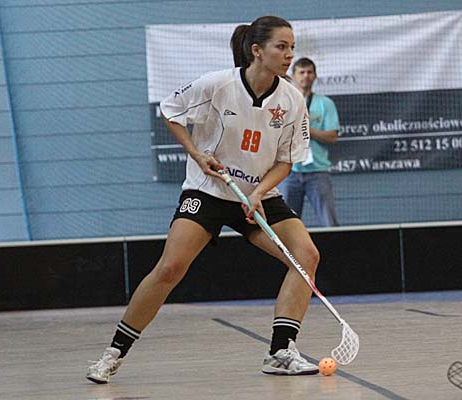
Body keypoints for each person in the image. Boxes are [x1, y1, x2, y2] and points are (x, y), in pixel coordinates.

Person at [86, 16, 321, 383]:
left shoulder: (292, 99)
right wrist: (196, 154)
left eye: (292, 47)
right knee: (170, 269)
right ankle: (114, 352)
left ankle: (280, 351)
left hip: (256, 194)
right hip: (208, 191)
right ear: (257, 51)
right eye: (281, 46)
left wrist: (259, 192)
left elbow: (286, 161)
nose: (289, 54)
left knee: (306, 256)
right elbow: (170, 110)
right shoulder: (218, 84)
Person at [278, 57, 340, 227]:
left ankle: (335, 245)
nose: (306, 76)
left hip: (317, 172)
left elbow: (332, 136)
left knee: (328, 221)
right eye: (302, 72)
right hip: (288, 171)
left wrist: (306, 129)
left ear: (315, 76)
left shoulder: (325, 103)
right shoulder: (283, 102)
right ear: (293, 75)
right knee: (285, 223)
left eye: (309, 72)